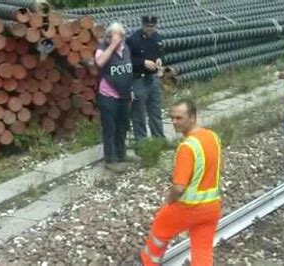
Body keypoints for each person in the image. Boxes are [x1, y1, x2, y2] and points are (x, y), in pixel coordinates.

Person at [138, 99, 222, 266]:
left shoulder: (187, 147)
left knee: (159, 231)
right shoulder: (212, 137)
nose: (174, 122)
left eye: (179, 118)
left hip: (188, 208)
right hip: (212, 207)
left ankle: (148, 263)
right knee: (202, 249)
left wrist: (168, 201)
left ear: (193, 117)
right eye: (172, 117)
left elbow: (178, 187)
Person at [95, 22, 133, 172]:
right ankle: (110, 159)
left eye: (122, 36)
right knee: (110, 128)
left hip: (124, 95)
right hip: (108, 95)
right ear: (109, 37)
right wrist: (112, 46)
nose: (121, 39)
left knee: (123, 126)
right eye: (117, 36)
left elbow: (128, 70)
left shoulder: (126, 49)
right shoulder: (102, 49)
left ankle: (121, 154)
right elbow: (99, 62)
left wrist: (130, 89)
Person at [127, 15, 166, 142]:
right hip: (139, 78)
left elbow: (160, 53)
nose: (150, 29)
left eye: (152, 26)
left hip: (153, 78)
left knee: (155, 111)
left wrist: (160, 60)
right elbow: (128, 60)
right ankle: (142, 143)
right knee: (139, 113)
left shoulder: (157, 37)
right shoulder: (133, 40)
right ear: (143, 25)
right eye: (147, 26)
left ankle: (159, 139)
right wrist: (143, 62)